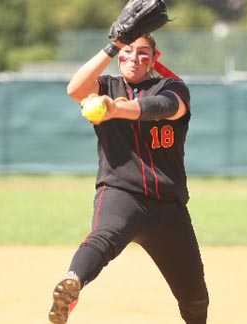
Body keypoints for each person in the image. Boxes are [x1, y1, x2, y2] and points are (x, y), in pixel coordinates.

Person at [47, 33, 209, 324]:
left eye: (143, 52)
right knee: (102, 238)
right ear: (119, 55)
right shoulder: (106, 86)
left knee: (195, 299)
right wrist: (112, 45)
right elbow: (75, 88)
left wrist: (116, 109)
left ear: (153, 60)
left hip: (168, 207)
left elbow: (166, 108)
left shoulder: (170, 87)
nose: (134, 58)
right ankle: (72, 283)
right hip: (122, 193)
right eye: (128, 51)